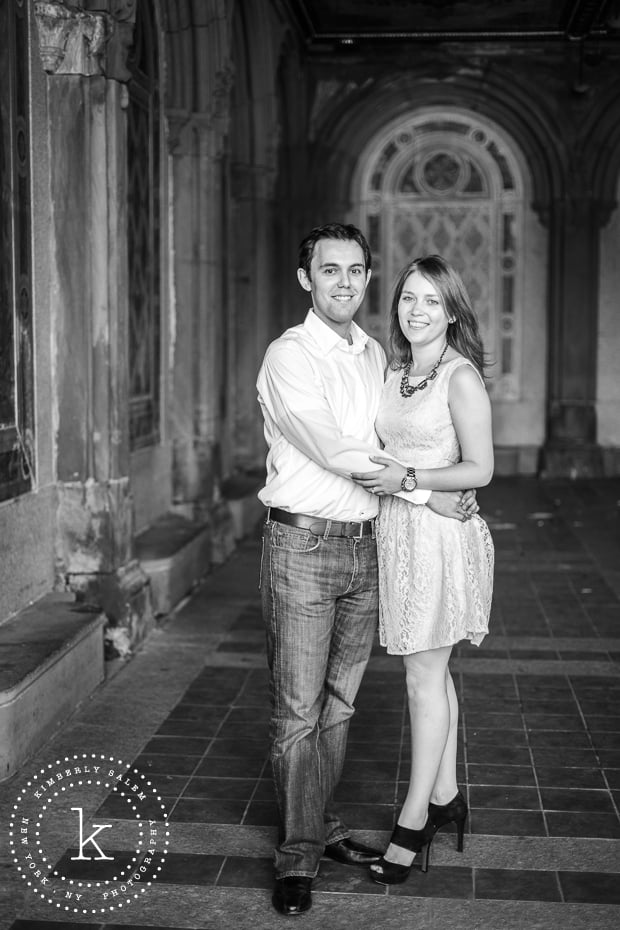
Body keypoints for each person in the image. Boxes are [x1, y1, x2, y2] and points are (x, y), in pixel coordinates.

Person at [256, 225, 479, 916]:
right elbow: (335, 448)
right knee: (298, 711)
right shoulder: (288, 357)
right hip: (302, 547)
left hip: (368, 547)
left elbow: (399, 439)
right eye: (330, 271)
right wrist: (430, 489)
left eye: (356, 271)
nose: (344, 283)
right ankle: (297, 858)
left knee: (342, 706)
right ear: (307, 280)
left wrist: (429, 482)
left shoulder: (377, 354)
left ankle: (321, 829)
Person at [351, 253, 495, 885]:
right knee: (432, 671)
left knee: (421, 677)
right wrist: (417, 489)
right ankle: (447, 797)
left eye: (432, 301)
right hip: (401, 532)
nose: (417, 310)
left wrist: (413, 480)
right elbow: (375, 455)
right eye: (408, 298)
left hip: (439, 543)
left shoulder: (459, 377)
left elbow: (481, 470)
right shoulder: (396, 370)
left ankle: (412, 823)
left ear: (452, 311)